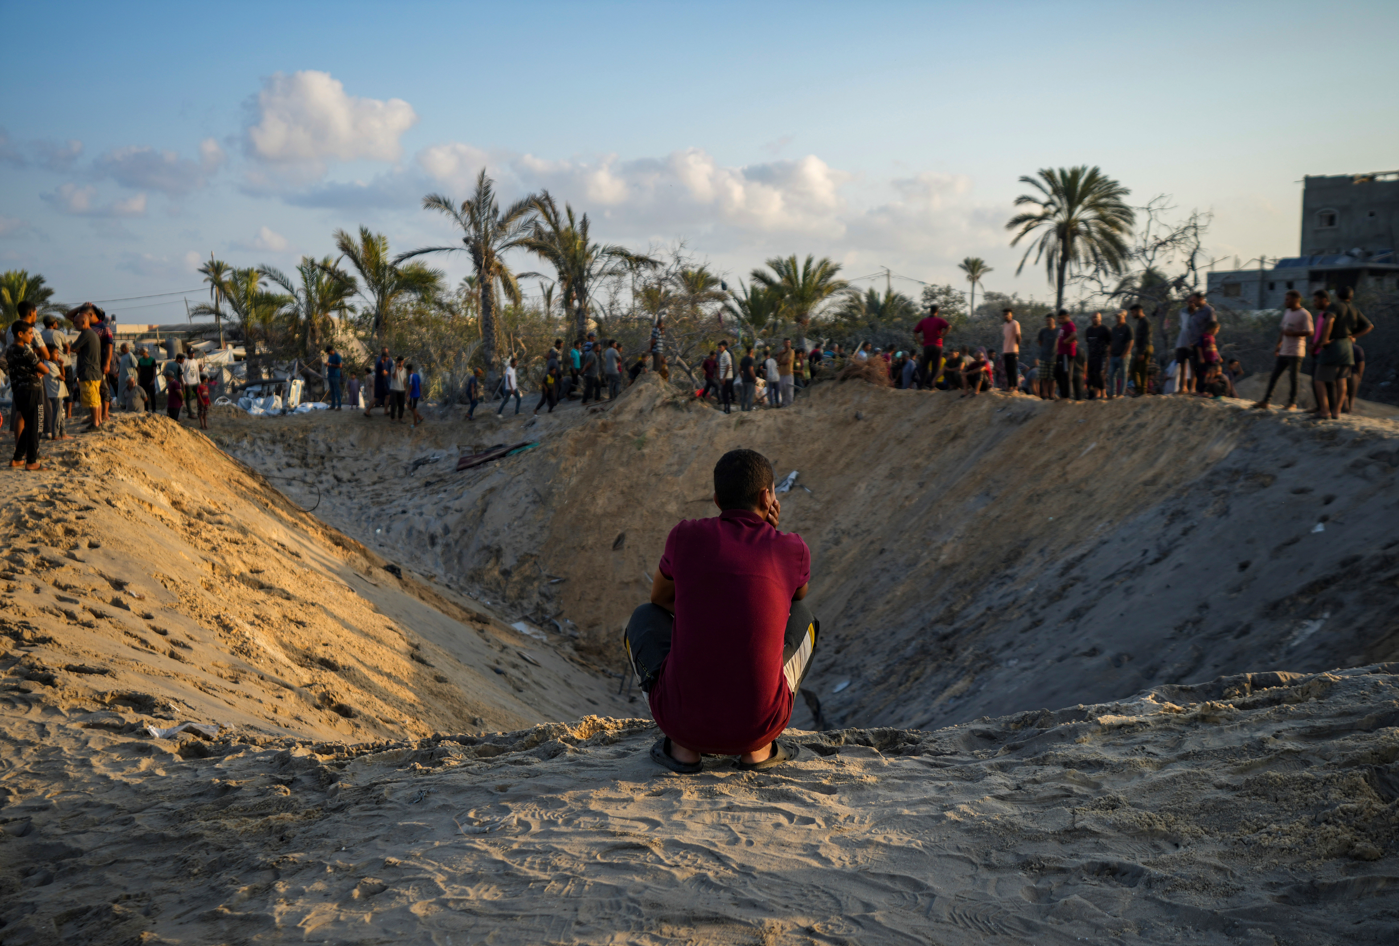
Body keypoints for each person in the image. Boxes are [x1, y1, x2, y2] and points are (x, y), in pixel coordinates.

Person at [623, 448, 817, 773]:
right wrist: (772, 533)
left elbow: (658, 599)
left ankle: (683, 750)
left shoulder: (684, 535)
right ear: (767, 495)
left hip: (681, 723)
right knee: (805, 618)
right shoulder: (792, 547)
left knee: (643, 617)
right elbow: (797, 597)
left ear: (716, 498)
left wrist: (701, 608)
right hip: (760, 726)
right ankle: (758, 750)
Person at [1314, 285, 1373, 420]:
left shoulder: (1334, 306)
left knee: (1319, 379)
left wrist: (1324, 340)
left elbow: (1329, 321)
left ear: (1337, 295)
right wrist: (1354, 336)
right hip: (1347, 347)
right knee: (1341, 380)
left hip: (1334, 345)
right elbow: (1369, 326)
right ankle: (1337, 411)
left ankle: (1324, 410)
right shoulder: (1354, 309)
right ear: (1351, 297)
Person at [7, 321, 48, 470]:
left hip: (18, 391)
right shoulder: (25, 350)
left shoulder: (9, 349)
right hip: (32, 390)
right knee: (36, 426)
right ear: (20, 334)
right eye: (30, 333)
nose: (32, 336)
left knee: (29, 425)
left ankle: (17, 458)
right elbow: (45, 369)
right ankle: (31, 461)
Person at [68, 305, 105, 431]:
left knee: (92, 399)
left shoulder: (86, 333)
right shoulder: (92, 334)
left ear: (84, 322)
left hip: (89, 372)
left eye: (76, 323)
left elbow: (73, 347)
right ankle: (98, 421)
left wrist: (66, 347)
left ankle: (95, 423)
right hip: (94, 372)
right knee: (96, 399)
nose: (74, 325)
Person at [914, 305, 949, 388]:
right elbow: (949, 326)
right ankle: (932, 386)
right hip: (937, 345)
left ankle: (921, 386)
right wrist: (943, 335)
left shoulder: (923, 321)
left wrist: (920, 341)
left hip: (927, 345)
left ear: (930, 311)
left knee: (924, 366)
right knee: (935, 366)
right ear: (937, 312)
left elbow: (915, 331)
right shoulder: (939, 320)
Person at [1172, 297, 1197, 395]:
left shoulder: (1198, 313)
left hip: (1192, 341)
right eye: (1190, 302)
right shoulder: (1182, 312)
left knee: (1193, 366)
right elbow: (1181, 325)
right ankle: (1183, 387)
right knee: (1182, 365)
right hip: (1182, 341)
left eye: (1193, 302)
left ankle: (1193, 388)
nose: (1191, 304)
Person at [42, 348, 68, 441]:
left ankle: (63, 433)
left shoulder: (53, 364)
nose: (58, 355)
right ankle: (55, 434)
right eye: (56, 353)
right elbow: (63, 378)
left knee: (61, 413)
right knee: (57, 414)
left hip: (58, 392)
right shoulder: (49, 365)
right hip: (55, 393)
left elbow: (63, 375)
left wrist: (61, 365)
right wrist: (60, 367)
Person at [1084, 312, 1111, 400]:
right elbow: (1088, 342)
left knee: (1100, 374)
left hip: (1102, 355)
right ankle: (1097, 395)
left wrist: (1109, 355)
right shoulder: (1088, 330)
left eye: (1096, 317)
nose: (1094, 319)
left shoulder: (1105, 329)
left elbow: (1111, 343)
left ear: (1100, 318)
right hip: (1091, 356)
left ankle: (1104, 394)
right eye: (1093, 317)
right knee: (1092, 375)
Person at [1107, 311, 1133, 398]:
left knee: (1123, 374)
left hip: (1123, 355)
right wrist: (1109, 352)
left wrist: (1124, 354)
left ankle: (1121, 393)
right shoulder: (1114, 329)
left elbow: (1130, 342)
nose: (1117, 319)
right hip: (1114, 355)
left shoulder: (1128, 328)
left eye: (1119, 317)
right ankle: (1112, 393)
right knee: (1111, 374)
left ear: (1124, 317)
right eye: (1116, 317)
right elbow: (1111, 341)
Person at [1129, 304, 1153, 397]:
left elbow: (1145, 338)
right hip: (1140, 349)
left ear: (1139, 311)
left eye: (1133, 312)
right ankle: (1139, 390)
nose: (1132, 315)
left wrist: (1142, 352)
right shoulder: (1140, 322)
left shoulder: (1145, 322)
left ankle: (1142, 392)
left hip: (1145, 348)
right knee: (1134, 370)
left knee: (1143, 370)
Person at [1054, 310, 1077, 400]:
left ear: (1068, 316)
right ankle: (1062, 394)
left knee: (1065, 374)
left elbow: (1074, 334)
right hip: (1061, 353)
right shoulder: (1063, 326)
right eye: (1060, 318)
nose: (1061, 320)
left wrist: (1065, 341)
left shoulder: (1070, 325)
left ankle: (1066, 396)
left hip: (1066, 354)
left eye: (1063, 318)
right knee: (1057, 373)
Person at [1035, 314, 1057, 400]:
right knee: (1044, 377)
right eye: (1047, 320)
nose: (1048, 322)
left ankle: (1052, 394)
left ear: (1054, 320)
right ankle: (1045, 394)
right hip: (1044, 357)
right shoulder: (1043, 331)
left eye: (1050, 320)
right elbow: (1040, 342)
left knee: (1053, 378)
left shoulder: (1058, 331)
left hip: (1054, 358)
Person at [1000, 308, 1021, 393]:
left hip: (1013, 350)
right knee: (1007, 369)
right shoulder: (1005, 324)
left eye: (1007, 314)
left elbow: (1018, 336)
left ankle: (1015, 386)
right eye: (1004, 314)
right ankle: (1010, 385)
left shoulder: (1015, 323)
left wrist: (1016, 347)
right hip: (1006, 350)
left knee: (1013, 369)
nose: (1005, 316)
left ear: (1011, 315)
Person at [534, 348, 559, 416]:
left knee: (554, 401)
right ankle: (536, 409)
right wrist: (545, 388)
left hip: (550, 389)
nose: (554, 372)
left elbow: (553, 384)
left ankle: (550, 410)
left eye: (555, 371)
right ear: (550, 371)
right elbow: (543, 382)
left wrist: (554, 392)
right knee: (543, 401)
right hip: (545, 389)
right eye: (553, 371)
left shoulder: (553, 376)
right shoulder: (547, 376)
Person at [371, 347, 392, 416]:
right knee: (377, 398)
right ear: (383, 357)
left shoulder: (382, 362)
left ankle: (385, 410)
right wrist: (386, 373)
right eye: (386, 357)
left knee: (387, 396)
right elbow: (383, 373)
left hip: (384, 382)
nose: (388, 358)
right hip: (381, 383)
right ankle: (368, 410)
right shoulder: (380, 363)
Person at [716, 340, 734, 414]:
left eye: (720, 347)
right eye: (718, 347)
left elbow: (728, 365)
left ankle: (727, 409)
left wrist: (724, 377)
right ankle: (726, 408)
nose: (719, 349)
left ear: (724, 347)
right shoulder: (722, 354)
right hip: (725, 377)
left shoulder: (726, 354)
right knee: (724, 393)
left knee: (725, 393)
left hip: (727, 377)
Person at [776, 338, 795, 406]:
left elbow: (787, 361)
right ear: (783, 343)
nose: (787, 344)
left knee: (789, 390)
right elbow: (778, 360)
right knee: (782, 389)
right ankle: (784, 404)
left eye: (788, 342)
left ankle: (789, 404)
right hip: (782, 373)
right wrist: (780, 353)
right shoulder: (782, 352)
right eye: (786, 342)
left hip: (788, 373)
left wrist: (780, 364)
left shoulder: (791, 351)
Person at [389, 356, 408, 422]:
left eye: (401, 362)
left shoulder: (404, 370)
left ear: (403, 362)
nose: (400, 363)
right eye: (398, 362)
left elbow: (404, 380)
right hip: (394, 388)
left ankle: (400, 418)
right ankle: (392, 418)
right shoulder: (392, 368)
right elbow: (394, 377)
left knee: (401, 404)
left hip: (401, 389)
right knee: (393, 404)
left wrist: (405, 388)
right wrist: (396, 368)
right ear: (397, 362)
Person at [739, 345, 757, 412]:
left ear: (746, 351)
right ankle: (749, 410)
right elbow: (750, 370)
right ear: (752, 351)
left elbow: (739, 369)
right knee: (750, 396)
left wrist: (742, 376)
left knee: (743, 396)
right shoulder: (751, 359)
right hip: (750, 380)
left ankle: (743, 409)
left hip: (744, 380)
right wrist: (754, 378)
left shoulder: (743, 359)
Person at [325, 345, 343, 410]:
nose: (328, 353)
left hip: (335, 375)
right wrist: (327, 364)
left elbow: (340, 366)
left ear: (331, 350)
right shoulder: (330, 356)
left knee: (337, 390)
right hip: (330, 375)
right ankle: (333, 405)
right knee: (332, 391)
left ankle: (339, 406)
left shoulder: (337, 356)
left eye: (328, 352)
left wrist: (330, 364)